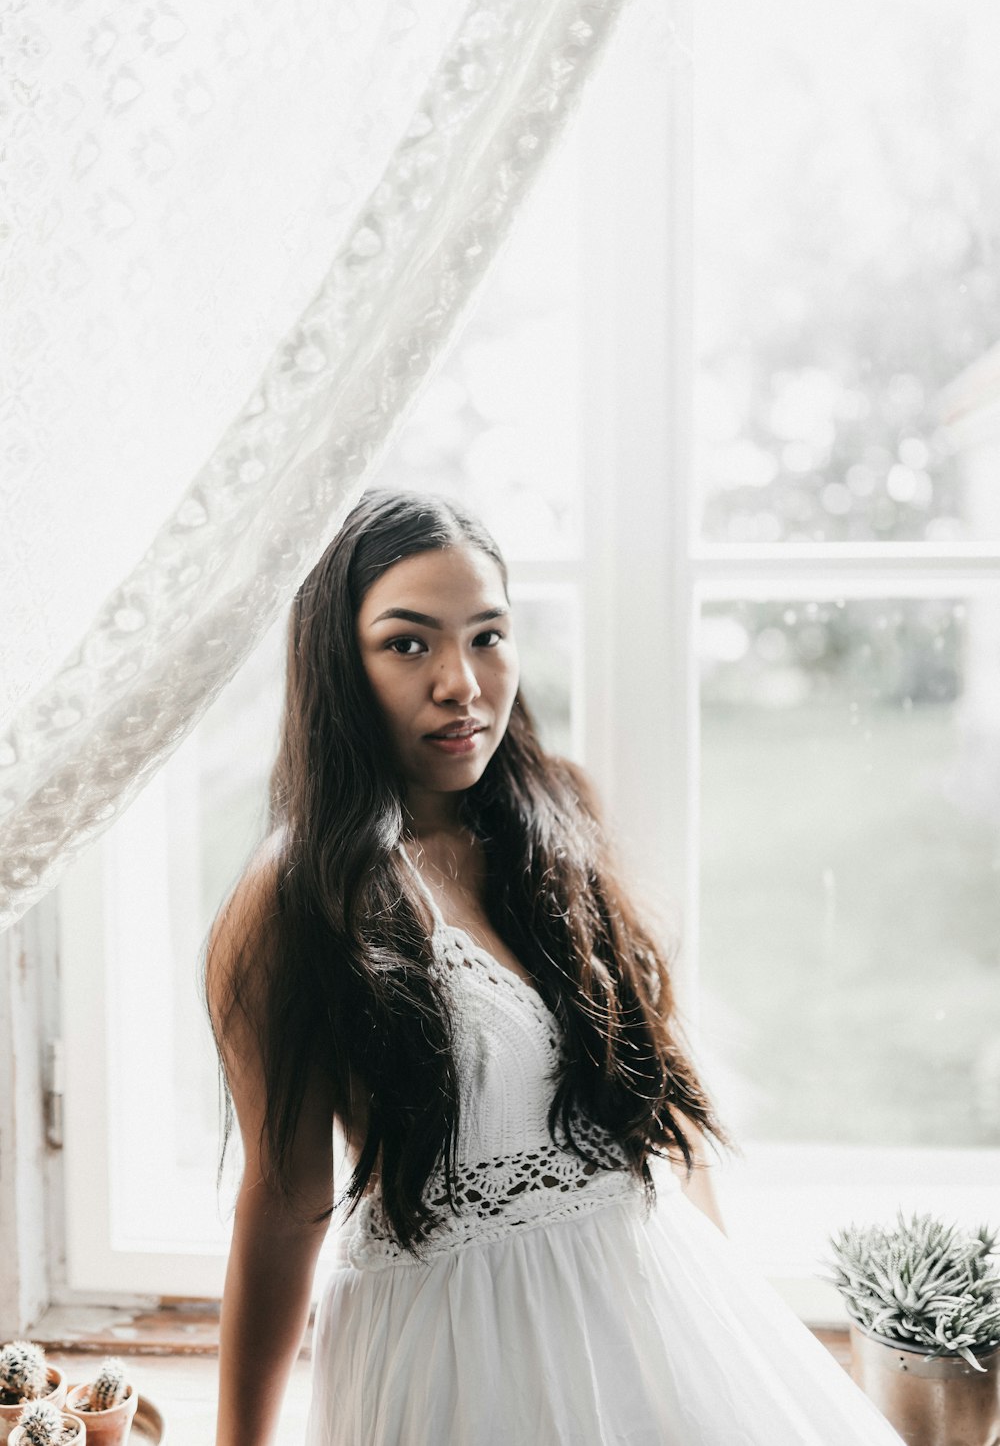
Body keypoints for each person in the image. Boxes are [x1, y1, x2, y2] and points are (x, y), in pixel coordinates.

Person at [206, 488, 906, 1445]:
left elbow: (651, 1115)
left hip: (651, 1300)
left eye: (488, 636)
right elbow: (284, 1203)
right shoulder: (295, 903)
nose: (462, 682)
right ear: (337, 664)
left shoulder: (555, 821)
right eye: (409, 644)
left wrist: (731, 1338)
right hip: (456, 1352)